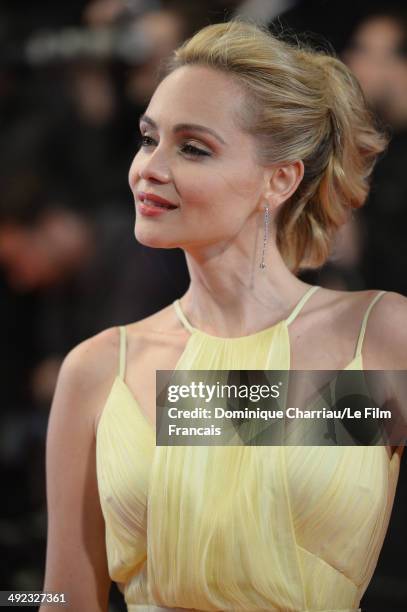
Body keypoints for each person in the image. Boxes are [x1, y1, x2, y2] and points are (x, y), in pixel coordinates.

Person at [41, 19, 407, 612]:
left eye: (193, 147)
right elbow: (61, 598)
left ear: (280, 179)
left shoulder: (380, 337)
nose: (148, 169)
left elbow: (231, 419)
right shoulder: (98, 369)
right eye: (146, 137)